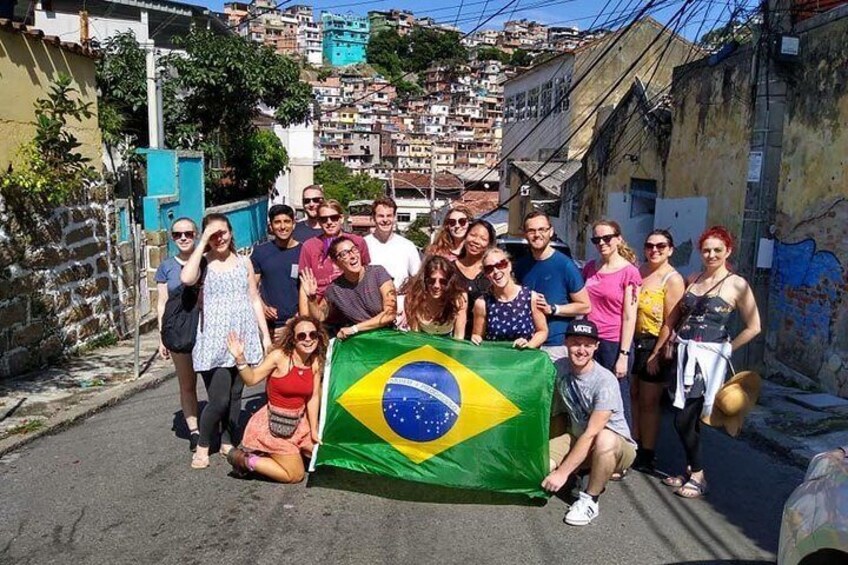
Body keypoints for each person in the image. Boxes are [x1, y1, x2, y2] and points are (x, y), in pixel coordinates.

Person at [656, 226, 761, 499]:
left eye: (717, 250)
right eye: (706, 250)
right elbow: (679, 316)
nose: (711, 254)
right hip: (683, 355)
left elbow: (754, 326)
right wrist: (670, 342)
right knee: (687, 419)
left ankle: (699, 474)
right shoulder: (693, 278)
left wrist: (727, 348)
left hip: (708, 362)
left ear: (728, 251)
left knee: (683, 419)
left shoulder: (736, 284)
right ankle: (690, 469)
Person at [181, 213, 272, 470]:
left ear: (231, 233)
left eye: (223, 232)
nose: (219, 238)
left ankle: (227, 439)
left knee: (235, 396)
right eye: (213, 234)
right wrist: (202, 243)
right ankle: (203, 445)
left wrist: (264, 336)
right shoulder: (202, 263)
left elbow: (254, 298)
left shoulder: (244, 262)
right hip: (214, 340)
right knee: (218, 399)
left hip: (243, 337)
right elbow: (187, 279)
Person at [542, 320, 637, 527]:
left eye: (587, 345)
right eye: (576, 343)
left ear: (596, 347)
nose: (581, 350)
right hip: (576, 437)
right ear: (566, 343)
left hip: (613, 444)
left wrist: (562, 473)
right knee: (539, 469)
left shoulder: (605, 381)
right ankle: (583, 471)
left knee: (604, 438)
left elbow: (592, 434)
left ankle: (590, 500)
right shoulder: (560, 366)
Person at [225, 315, 327, 483]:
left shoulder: (315, 361)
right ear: (293, 339)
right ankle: (245, 460)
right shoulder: (279, 357)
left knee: (320, 455)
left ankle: (283, 453)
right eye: (302, 336)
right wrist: (240, 359)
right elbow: (251, 380)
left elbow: (313, 396)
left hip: (299, 423)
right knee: (295, 475)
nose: (308, 339)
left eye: (312, 334)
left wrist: (314, 430)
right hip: (275, 425)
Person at [632, 229, 685, 472]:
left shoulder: (672, 279)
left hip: (654, 343)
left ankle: (647, 453)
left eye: (660, 246)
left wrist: (656, 354)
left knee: (649, 402)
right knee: (632, 396)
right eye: (649, 245)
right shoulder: (639, 271)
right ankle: (633, 444)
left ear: (670, 249)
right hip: (633, 341)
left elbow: (670, 321)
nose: (654, 250)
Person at [582, 220, 641, 429]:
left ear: (618, 239)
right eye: (596, 239)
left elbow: (629, 316)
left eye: (607, 238)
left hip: (614, 344)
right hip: (590, 341)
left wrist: (623, 355)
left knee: (618, 400)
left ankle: (623, 452)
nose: (602, 243)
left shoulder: (629, 272)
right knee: (592, 396)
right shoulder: (590, 267)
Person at [515, 211, 591, 361]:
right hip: (526, 343)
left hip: (556, 345)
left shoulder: (565, 265)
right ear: (525, 234)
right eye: (531, 230)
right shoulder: (521, 266)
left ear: (551, 231)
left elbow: (585, 306)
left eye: (542, 229)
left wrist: (553, 309)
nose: (537, 235)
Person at [155, 217, 201, 452]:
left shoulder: (206, 261)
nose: (183, 238)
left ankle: (219, 426)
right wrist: (161, 335)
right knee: (187, 383)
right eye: (177, 234)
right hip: (179, 330)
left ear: (196, 234)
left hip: (205, 329)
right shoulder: (166, 267)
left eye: (188, 233)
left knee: (215, 382)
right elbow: (162, 302)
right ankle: (194, 431)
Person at [301, 236, 396, 340]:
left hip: (388, 336)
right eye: (344, 254)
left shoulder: (378, 273)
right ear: (336, 262)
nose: (352, 256)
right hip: (360, 342)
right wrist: (312, 298)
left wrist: (354, 329)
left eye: (354, 249)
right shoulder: (335, 290)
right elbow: (320, 317)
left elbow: (390, 313)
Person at [471, 248, 548, 349]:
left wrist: (529, 345)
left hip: (525, 359)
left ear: (509, 266)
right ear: (486, 274)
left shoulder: (530, 297)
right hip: (496, 360)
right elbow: (477, 335)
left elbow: (542, 331)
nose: (496, 271)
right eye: (489, 269)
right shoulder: (482, 303)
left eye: (500, 265)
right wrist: (475, 338)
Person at [297, 199, 371, 305]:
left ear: (341, 218)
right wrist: (304, 318)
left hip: (352, 303)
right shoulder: (309, 246)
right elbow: (304, 285)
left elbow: (365, 276)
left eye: (334, 217)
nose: (329, 222)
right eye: (324, 219)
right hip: (319, 306)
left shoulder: (357, 242)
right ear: (319, 221)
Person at [251, 204, 302, 342]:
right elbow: (251, 287)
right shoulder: (260, 252)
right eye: (277, 222)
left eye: (286, 221)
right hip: (269, 326)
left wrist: (296, 320)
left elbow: (310, 291)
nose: (282, 226)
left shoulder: (304, 252)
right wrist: (263, 307)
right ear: (271, 226)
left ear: (294, 224)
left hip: (297, 324)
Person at [399, 255, 467, 339]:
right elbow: (415, 337)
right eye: (431, 281)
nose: (436, 286)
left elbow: (459, 337)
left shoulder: (459, 298)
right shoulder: (413, 298)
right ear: (424, 280)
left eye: (443, 281)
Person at [365, 196, 421, 289]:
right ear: (373, 218)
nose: (385, 220)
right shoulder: (364, 244)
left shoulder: (408, 246)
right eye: (381, 216)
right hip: (372, 301)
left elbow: (417, 277)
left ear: (395, 217)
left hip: (400, 300)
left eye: (389, 215)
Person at [454, 219, 496, 339]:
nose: (476, 241)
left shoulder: (493, 272)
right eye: (473, 235)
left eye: (483, 239)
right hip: (452, 337)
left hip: (483, 339)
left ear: (489, 244)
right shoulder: (449, 269)